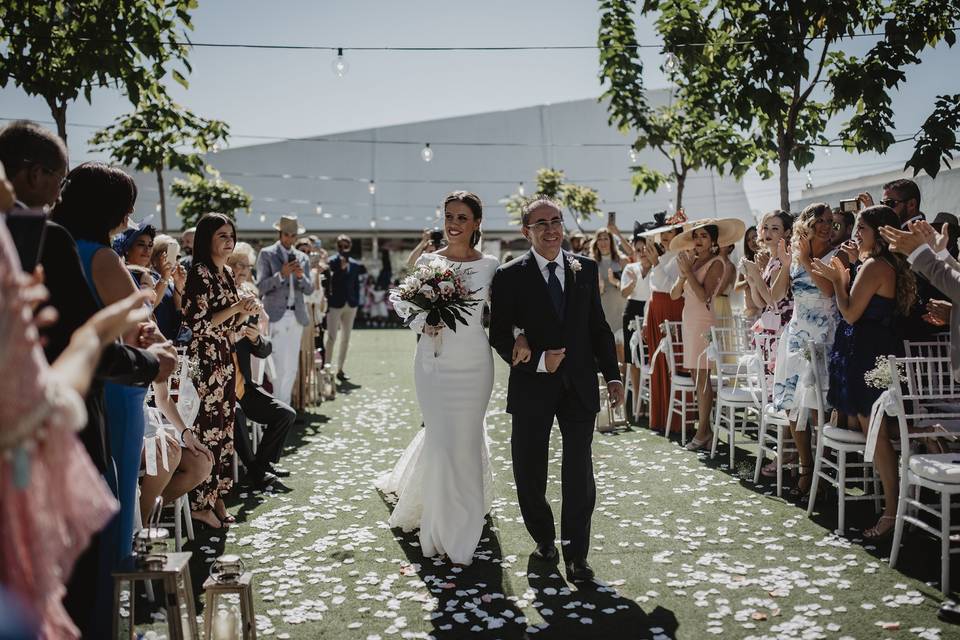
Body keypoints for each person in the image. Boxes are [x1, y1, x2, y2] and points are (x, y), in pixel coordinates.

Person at [0, 120, 174, 638]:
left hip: (41, 407)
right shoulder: (74, 249)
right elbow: (103, 343)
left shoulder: (50, 240)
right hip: (83, 402)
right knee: (99, 521)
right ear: (34, 175)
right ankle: (97, 622)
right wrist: (148, 359)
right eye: (56, 176)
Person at [489, 195, 622, 583]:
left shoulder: (586, 268)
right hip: (532, 385)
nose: (551, 229)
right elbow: (499, 335)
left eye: (556, 221)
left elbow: (597, 328)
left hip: (580, 385)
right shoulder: (509, 275)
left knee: (579, 470)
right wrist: (534, 358)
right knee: (529, 469)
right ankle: (544, 537)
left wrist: (612, 376)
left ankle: (577, 554)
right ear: (526, 231)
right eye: (541, 223)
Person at [376, 191, 500, 567]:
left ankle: (466, 523)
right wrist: (423, 321)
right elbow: (402, 302)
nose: (454, 223)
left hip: (476, 363)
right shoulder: (429, 261)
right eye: (449, 216)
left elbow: (507, 312)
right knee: (442, 442)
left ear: (476, 222)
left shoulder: (492, 265)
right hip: (434, 363)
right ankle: (440, 524)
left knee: (467, 440)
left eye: (462, 217)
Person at [811, 205, 916, 539]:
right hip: (876, 350)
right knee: (877, 429)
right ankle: (893, 501)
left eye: (862, 229)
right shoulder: (882, 264)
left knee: (879, 434)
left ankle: (891, 512)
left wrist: (838, 281)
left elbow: (851, 313)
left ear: (881, 233)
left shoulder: (873, 266)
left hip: (869, 354)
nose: (856, 234)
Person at [183, 213, 261, 529]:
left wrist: (246, 313)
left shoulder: (227, 272)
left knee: (224, 428)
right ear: (207, 239)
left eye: (231, 235)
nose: (229, 241)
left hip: (224, 357)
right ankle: (201, 502)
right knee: (207, 428)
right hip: (202, 359)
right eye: (222, 236)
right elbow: (198, 324)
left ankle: (216, 496)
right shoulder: (198, 273)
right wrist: (236, 308)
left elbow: (229, 325)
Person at [770, 203, 838, 498]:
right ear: (807, 224)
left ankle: (822, 473)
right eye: (820, 220)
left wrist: (807, 258)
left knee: (817, 408)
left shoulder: (839, 254)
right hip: (797, 336)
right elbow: (774, 296)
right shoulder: (796, 259)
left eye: (829, 221)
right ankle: (806, 467)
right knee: (792, 405)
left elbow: (827, 290)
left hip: (825, 338)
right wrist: (788, 262)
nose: (825, 226)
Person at [669, 219, 745, 450]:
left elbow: (704, 296)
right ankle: (706, 430)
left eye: (703, 236)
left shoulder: (718, 263)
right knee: (695, 375)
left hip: (703, 323)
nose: (698, 240)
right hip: (689, 320)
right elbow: (674, 294)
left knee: (702, 378)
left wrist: (688, 272)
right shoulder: (691, 261)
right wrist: (684, 273)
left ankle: (703, 431)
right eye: (696, 236)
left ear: (713, 241)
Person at [227, 245, 296, 489]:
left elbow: (264, 350)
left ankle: (263, 465)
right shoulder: (224, 301)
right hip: (221, 388)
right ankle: (257, 471)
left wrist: (256, 338)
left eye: (246, 266)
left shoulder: (249, 300)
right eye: (239, 265)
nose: (244, 271)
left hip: (244, 385)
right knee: (234, 414)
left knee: (286, 414)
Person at [256, 215, 314, 405]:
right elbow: (261, 287)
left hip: (296, 315)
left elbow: (310, 289)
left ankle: (285, 408)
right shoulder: (267, 254)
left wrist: (299, 276)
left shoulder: (302, 258)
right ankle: (276, 408)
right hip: (275, 315)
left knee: (291, 367)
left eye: (293, 235)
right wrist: (281, 275)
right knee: (277, 365)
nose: (290, 239)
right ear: (280, 234)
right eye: (287, 234)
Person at [640, 211, 689, 432]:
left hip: (671, 309)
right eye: (664, 235)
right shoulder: (661, 256)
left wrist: (656, 263)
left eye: (670, 233)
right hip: (656, 310)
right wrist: (646, 314)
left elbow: (670, 288)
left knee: (671, 361)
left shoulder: (681, 256)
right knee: (656, 361)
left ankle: (677, 420)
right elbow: (653, 290)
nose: (665, 238)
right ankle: (659, 416)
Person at [324, 233, 365, 381]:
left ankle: (340, 369)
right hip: (335, 304)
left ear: (350, 246)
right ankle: (327, 369)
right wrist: (340, 269)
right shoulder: (331, 262)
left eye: (346, 244)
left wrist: (356, 301)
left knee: (346, 338)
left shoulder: (355, 264)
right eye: (340, 245)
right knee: (331, 337)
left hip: (351, 304)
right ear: (337, 246)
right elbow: (330, 283)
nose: (343, 247)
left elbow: (355, 285)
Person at [591, 226, 629, 362]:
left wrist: (615, 282)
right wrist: (599, 289)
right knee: (607, 353)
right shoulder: (591, 263)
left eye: (606, 238)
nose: (603, 242)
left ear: (611, 241)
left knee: (622, 351)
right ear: (596, 243)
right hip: (603, 312)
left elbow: (630, 286)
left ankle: (623, 382)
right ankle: (612, 381)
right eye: (599, 239)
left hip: (621, 310)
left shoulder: (622, 260)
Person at [620, 234, 651, 387]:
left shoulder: (658, 268)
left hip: (650, 310)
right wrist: (632, 282)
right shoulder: (630, 268)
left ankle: (650, 399)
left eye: (644, 248)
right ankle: (636, 401)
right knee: (632, 356)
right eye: (638, 250)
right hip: (632, 310)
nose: (642, 252)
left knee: (650, 355)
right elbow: (624, 293)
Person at [149, 234, 187, 341]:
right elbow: (149, 305)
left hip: (172, 339)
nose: (174, 260)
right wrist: (165, 277)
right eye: (168, 255)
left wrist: (178, 285)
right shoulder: (149, 278)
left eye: (177, 256)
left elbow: (179, 311)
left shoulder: (171, 281)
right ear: (154, 259)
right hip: (155, 339)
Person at [734, 225, 761, 322]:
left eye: (755, 237)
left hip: (767, 311)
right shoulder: (744, 262)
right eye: (748, 240)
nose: (752, 242)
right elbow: (737, 287)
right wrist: (750, 280)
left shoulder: (769, 259)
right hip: (751, 313)